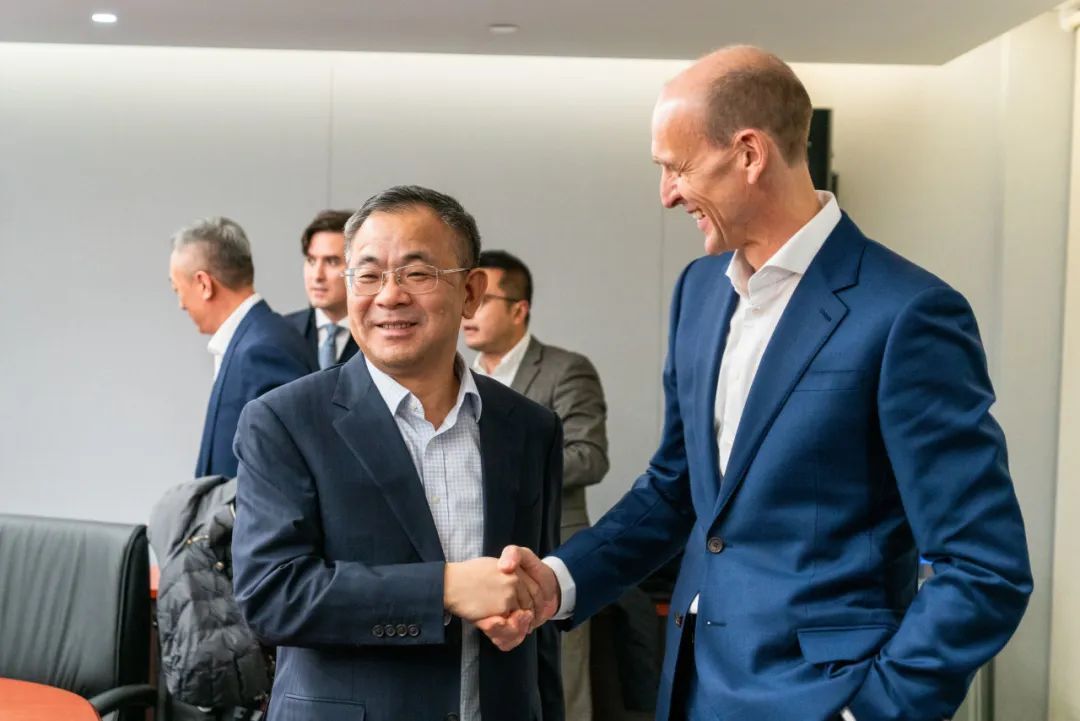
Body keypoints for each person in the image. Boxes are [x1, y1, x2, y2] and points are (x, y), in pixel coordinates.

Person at [494, 46, 1033, 721]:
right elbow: (677, 489)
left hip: (825, 697)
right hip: (692, 690)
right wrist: (560, 580)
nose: (667, 194)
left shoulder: (909, 314)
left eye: (678, 167)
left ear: (749, 154)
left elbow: (984, 566)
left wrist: (871, 710)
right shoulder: (698, 292)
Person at [231, 186, 564, 721]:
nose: (389, 295)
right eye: (368, 275)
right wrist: (445, 589)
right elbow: (272, 596)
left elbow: (537, 618)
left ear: (471, 292)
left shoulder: (529, 429)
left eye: (417, 273)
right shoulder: (285, 421)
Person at [464, 249, 608, 721]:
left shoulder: (565, 369)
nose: (468, 310)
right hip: (481, 562)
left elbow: (590, 457)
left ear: (518, 309)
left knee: (563, 685)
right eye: (466, 296)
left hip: (553, 554)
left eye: (483, 299)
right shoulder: (458, 377)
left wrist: (497, 468)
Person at [168, 216, 315, 478]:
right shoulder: (253, 340)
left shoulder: (263, 350)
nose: (181, 304)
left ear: (204, 284)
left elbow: (283, 471)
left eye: (177, 289)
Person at [285, 209, 360, 368]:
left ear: (358, 268)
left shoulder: (380, 335)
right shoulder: (282, 332)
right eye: (311, 261)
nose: (317, 275)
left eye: (331, 262)